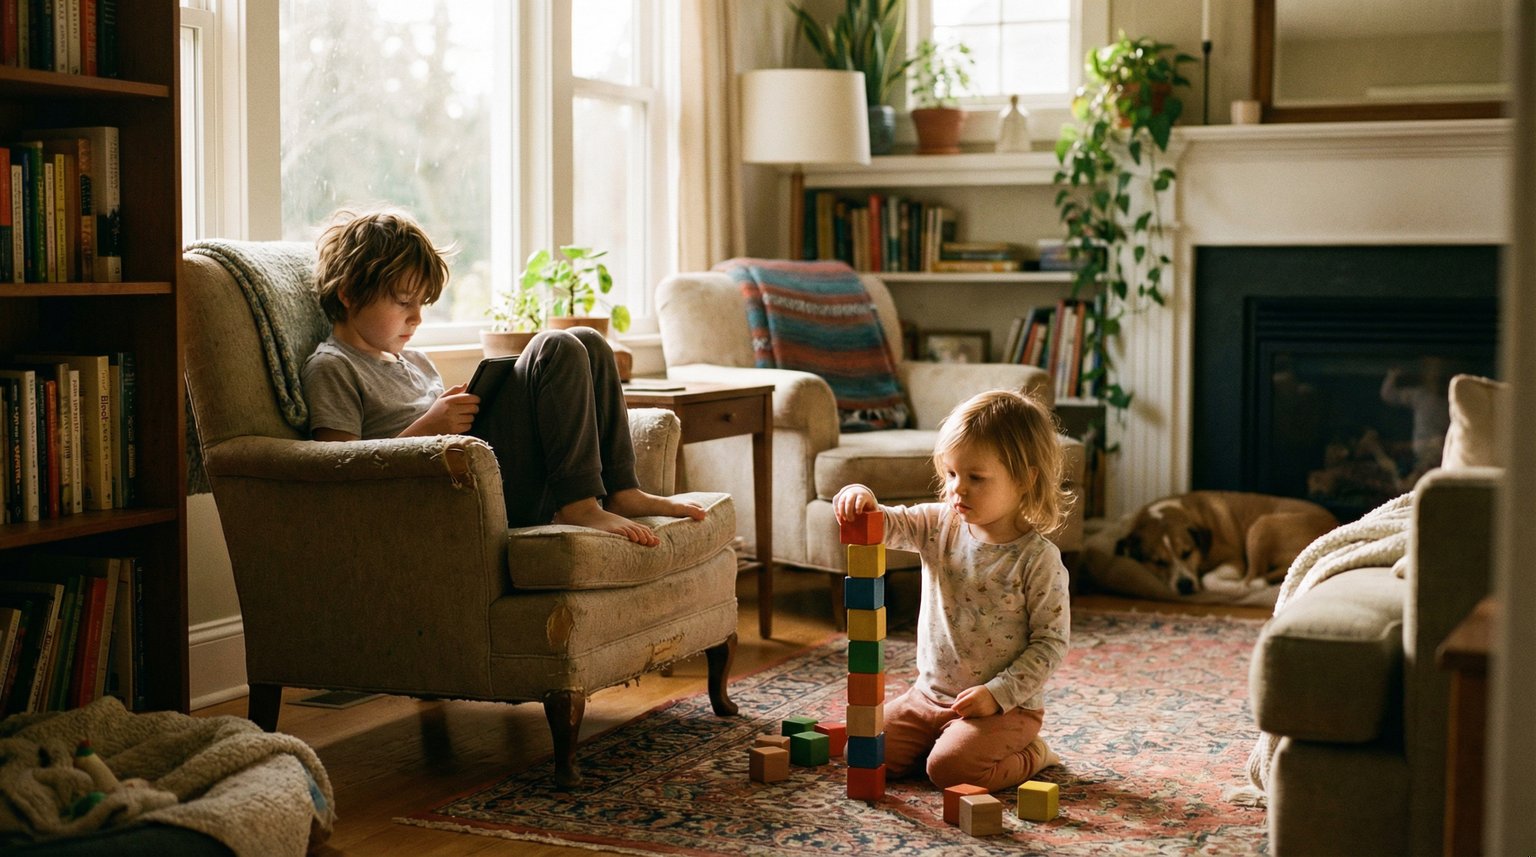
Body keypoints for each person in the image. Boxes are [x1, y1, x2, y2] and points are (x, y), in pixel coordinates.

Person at [300, 208, 703, 545]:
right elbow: (339, 475)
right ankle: (579, 505)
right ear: (349, 294)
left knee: (587, 341)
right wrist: (430, 426)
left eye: (422, 303)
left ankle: (621, 491)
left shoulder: (417, 361)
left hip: (489, 472)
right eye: (404, 302)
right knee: (554, 348)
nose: (417, 317)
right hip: (449, 499)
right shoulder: (334, 367)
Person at [832, 388, 1072, 791]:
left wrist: (997, 695)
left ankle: (1034, 753)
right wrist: (860, 497)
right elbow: (887, 523)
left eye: (976, 478)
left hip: (1002, 709)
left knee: (951, 772)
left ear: (1026, 478)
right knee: (864, 751)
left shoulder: (1038, 559)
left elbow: (1050, 643)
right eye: (951, 474)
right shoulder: (938, 524)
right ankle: (940, 741)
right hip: (928, 696)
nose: (958, 489)